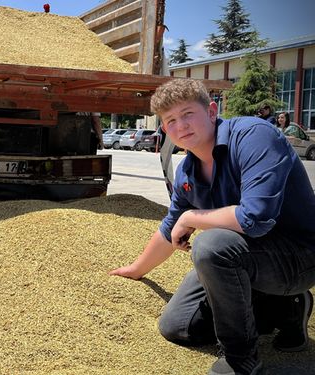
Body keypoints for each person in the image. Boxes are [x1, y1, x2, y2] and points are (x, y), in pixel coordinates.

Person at [109, 78, 315, 375]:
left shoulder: (253, 136)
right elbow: (170, 229)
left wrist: (192, 218)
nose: (181, 126)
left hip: (298, 256)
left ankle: (241, 359)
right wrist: (135, 270)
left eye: (188, 114)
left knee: (211, 246)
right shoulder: (187, 172)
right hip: (248, 258)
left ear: (212, 111)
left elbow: (254, 219)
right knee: (177, 326)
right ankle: (283, 310)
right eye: (171, 120)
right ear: (165, 130)